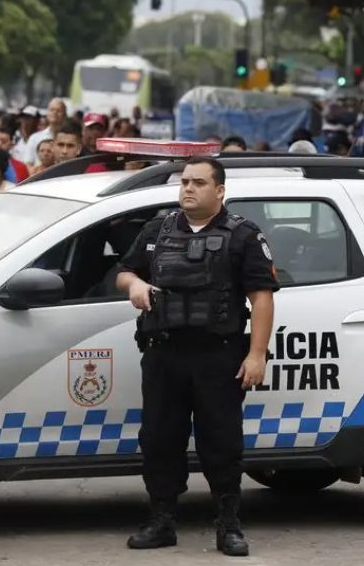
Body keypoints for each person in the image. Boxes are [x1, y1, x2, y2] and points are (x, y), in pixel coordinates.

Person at [115, 156, 278, 557]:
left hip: (217, 356)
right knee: (159, 440)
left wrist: (257, 355)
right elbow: (122, 271)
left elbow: (261, 298)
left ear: (219, 191)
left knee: (221, 442)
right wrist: (134, 283)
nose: (188, 188)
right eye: (185, 182)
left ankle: (228, 524)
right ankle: (162, 520)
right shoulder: (158, 229)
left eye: (199, 182)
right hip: (164, 353)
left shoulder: (243, 235)